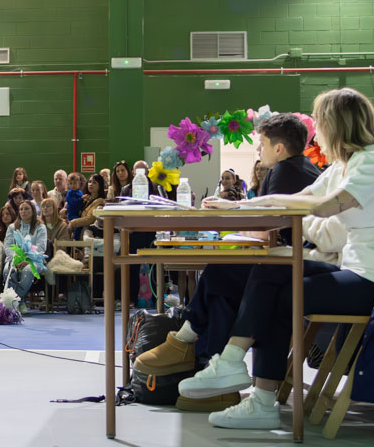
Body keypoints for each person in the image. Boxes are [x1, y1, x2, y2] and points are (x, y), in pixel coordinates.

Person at [178, 88, 374, 430]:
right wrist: (237, 205)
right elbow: (294, 198)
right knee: (274, 267)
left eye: (318, 118)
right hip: (352, 270)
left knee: (279, 286)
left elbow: (324, 205)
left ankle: (245, 380)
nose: (315, 126)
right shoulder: (346, 163)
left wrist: (268, 206)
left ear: (335, 122)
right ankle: (250, 386)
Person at [136, 113, 325, 386]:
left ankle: (191, 347)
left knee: (222, 271)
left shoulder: (282, 172)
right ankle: (203, 362)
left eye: (261, 143)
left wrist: (235, 222)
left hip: (300, 266)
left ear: (279, 148)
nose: (259, 149)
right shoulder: (306, 168)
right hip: (301, 259)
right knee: (224, 285)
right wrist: (234, 212)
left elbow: (263, 230)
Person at [3, 200, 47, 310]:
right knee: (8, 270)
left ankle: (17, 301)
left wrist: (27, 259)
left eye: (26, 209)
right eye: (21, 209)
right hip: (14, 259)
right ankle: (18, 303)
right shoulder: (12, 227)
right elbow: (8, 245)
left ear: (33, 211)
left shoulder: (40, 227)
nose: (23, 211)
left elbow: (41, 247)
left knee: (27, 270)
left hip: (34, 260)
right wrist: (16, 259)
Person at [68, 174, 106, 240]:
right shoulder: (87, 198)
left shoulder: (100, 201)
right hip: (80, 232)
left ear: (100, 186)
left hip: (89, 235)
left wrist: (73, 223)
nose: (91, 184)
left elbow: (90, 219)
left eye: (94, 182)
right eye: (89, 182)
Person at [63, 172, 86, 239]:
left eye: (75, 183)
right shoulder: (69, 193)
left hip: (79, 213)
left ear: (79, 183)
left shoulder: (79, 192)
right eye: (71, 183)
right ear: (68, 184)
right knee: (78, 226)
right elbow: (73, 202)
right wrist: (81, 199)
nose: (73, 185)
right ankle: (75, 240)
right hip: (72, 214)